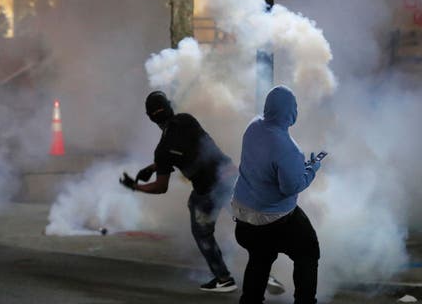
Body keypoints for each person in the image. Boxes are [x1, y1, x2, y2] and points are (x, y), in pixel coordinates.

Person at [119, 90, 238, 292]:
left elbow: (161, 187)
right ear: (170, 107)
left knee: (202, 231)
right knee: (248, 223)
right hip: (229, 177)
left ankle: (223, 278)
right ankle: (269, 267)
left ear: (151, 118)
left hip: (207, 191)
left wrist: (135, 186)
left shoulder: (163, 150)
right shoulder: (187, 121)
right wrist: (152, 167)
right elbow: (188, 149)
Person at [232, 85, 322, 304]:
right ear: (290, 112)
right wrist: (311, 170)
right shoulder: (288, 148)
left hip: (243, 217)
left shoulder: (252, 127)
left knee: (260, 257)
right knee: (308, 252)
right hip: (272, 220)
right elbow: (291, 187)